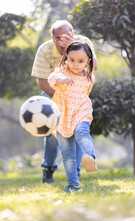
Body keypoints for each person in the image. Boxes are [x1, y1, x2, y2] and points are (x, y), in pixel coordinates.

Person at [31, 20, 97, 184]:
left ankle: (76, 173)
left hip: (78, 95)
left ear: (73, 35)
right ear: (53, 39)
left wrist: (74, 99)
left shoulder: (84, 43)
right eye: (58, 37)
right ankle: (48, 169)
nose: (62, 40)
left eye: (66, 36)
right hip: (54, 94)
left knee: (78, 131)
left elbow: (93, 68)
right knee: (54, 134)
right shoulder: (45, 50)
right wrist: (64, 98)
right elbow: (43, 82)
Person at [48, 41, 97, 192]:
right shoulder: (62, 73)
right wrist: (61, 80)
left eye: (81, 61)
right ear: (66, 58)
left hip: (81, 111)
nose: (75, 64)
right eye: (72, 60)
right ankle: (73, 185)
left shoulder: (89, 77)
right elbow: (51, 79)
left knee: (82, 133)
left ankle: (90, 157)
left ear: (88, 61)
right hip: (62, 115)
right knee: (68, 154)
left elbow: (85, 94)